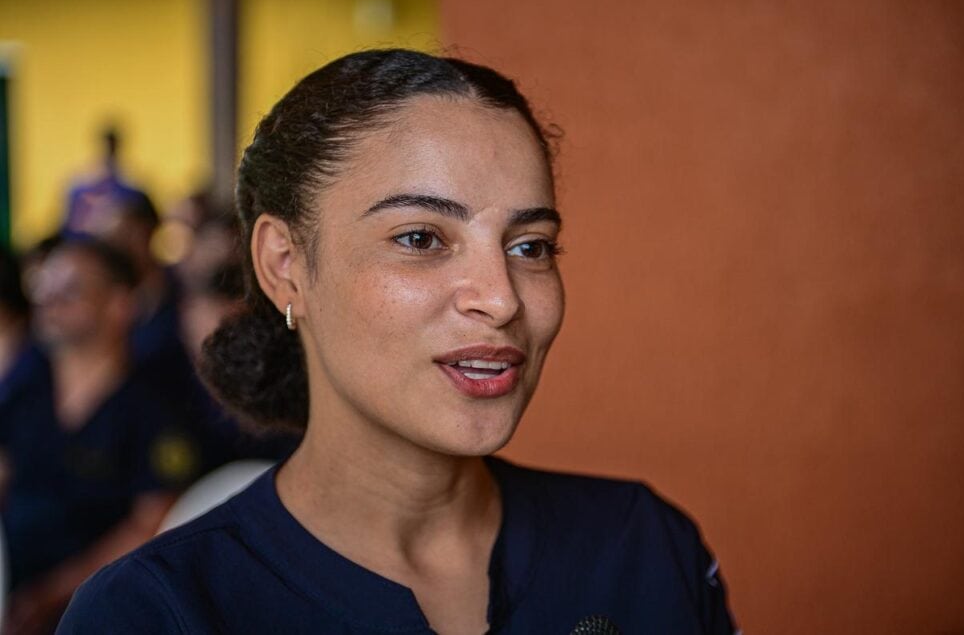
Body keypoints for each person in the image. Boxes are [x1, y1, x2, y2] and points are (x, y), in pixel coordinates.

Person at [57, 49, 737, 634]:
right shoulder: (157, 610)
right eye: (421, 238)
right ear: (285, 265)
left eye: (530, 246)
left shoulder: (643, 552)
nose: (501, 298)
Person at [0, 238, 200, 634]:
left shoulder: (154, 410)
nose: (49, 301)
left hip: (104, 611)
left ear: (119, 304)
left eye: (70, 290)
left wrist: (53, 593)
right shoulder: (24, 394)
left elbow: (154, 523)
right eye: (43, 288)